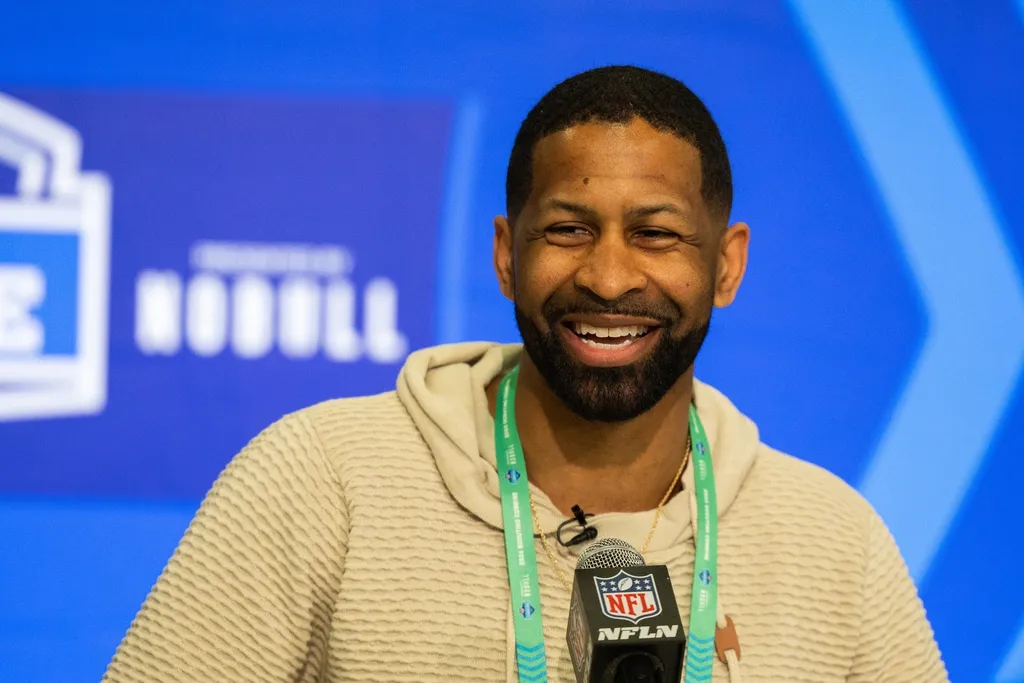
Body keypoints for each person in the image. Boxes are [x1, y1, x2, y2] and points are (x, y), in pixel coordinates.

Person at [101, 65, 948, 683]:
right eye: (569, 230)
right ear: (507, 255)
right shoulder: (325, 479)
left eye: (655, 234)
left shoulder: (836, 543)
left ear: (726, 266)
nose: (611, 278)